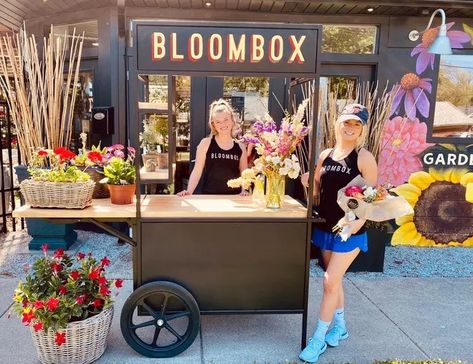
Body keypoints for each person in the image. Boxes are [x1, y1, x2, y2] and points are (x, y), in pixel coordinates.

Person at [299, 103, 377, 363]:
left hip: (349, 230)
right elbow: (318, 191)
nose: (351, 127)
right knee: (335, 279)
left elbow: (372, 197)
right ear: (339, 124)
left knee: (329, 281)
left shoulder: (364, 157)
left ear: (362, 128)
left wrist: (356, 222)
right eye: (347, 122)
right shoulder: (326, 154)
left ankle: (319, 338)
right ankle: (341, 327)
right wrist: (308, 182)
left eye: (357, 124)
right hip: (325, 226)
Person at [177, 99, 248, 196]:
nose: (223, 124)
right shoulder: (206, 144)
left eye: (226, 120)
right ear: (213, 125)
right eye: (218, 122)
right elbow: (197, 171)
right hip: (210, 197)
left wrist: (244, 190)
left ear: (232, 120)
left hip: (234, 198)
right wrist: (189, 191)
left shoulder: (240, 147)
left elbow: (244, 173)